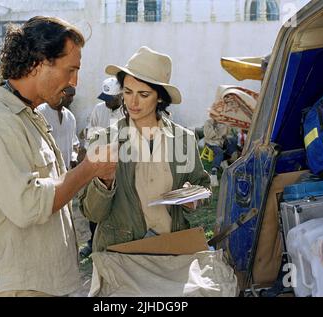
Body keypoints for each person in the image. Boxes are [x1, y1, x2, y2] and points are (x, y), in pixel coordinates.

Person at [0, 16, 116, 297]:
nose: (74, 82)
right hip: (22, 287)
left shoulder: (26, 116)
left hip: (45, 283)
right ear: (39, 62)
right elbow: (28, 206)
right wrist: (89, 168)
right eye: (70, 70)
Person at [79, 46, 210, 252]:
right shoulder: (105, 139)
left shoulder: (183, 140)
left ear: (159, 97)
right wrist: (104, 183)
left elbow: (201, 188)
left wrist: (191, 198)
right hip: (120, 254)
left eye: (144, 94)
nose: (133, 101)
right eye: (128, 92)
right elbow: (92, 214)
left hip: (170, 250)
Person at [79, 77, 124, 258]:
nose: (106, 102)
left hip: (120, 167)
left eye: (110, 98)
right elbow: (90, 133)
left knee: (116, 207)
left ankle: (114, 244)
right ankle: (93, 241)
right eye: (104, 98)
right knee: (95, 207)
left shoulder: (128, 112)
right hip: (98, 164)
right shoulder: (99, 110)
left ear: (120, 96)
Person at [38, 86, 79, 169]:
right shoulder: (40, 113)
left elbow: (74, 143)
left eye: (72, 96)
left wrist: (73, 158)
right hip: (47, 170)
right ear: (58, 93)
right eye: (68, 96)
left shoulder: (70, 117)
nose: (71, 100)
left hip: (66, 170)